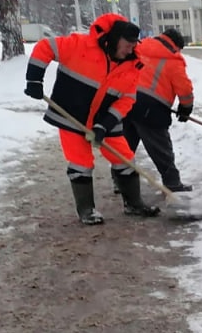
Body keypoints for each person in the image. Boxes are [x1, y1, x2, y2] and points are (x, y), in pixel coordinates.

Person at [24, 13, 160, 224]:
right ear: (114, 39)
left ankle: (134, 204)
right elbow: (45, 46)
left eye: (133, 45)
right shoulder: (80, 46)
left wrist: (103, 125)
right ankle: (87, 210)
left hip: (105, 118)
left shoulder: (132, 65)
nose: (129, 50)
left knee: (125, 158)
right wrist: (34, 78)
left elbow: (126, 100)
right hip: (71, 116)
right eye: (126, 45)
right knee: (81, 163)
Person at [117, 26, 196, 193]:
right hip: (150, 109)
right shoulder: (173, 60)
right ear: (176, 45)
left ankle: (120, 181)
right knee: (161, 149)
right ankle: (172, 183)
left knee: (124, 146)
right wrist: (186, 108)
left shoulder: (139, 47)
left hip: (125, 101)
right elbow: (184, 90)